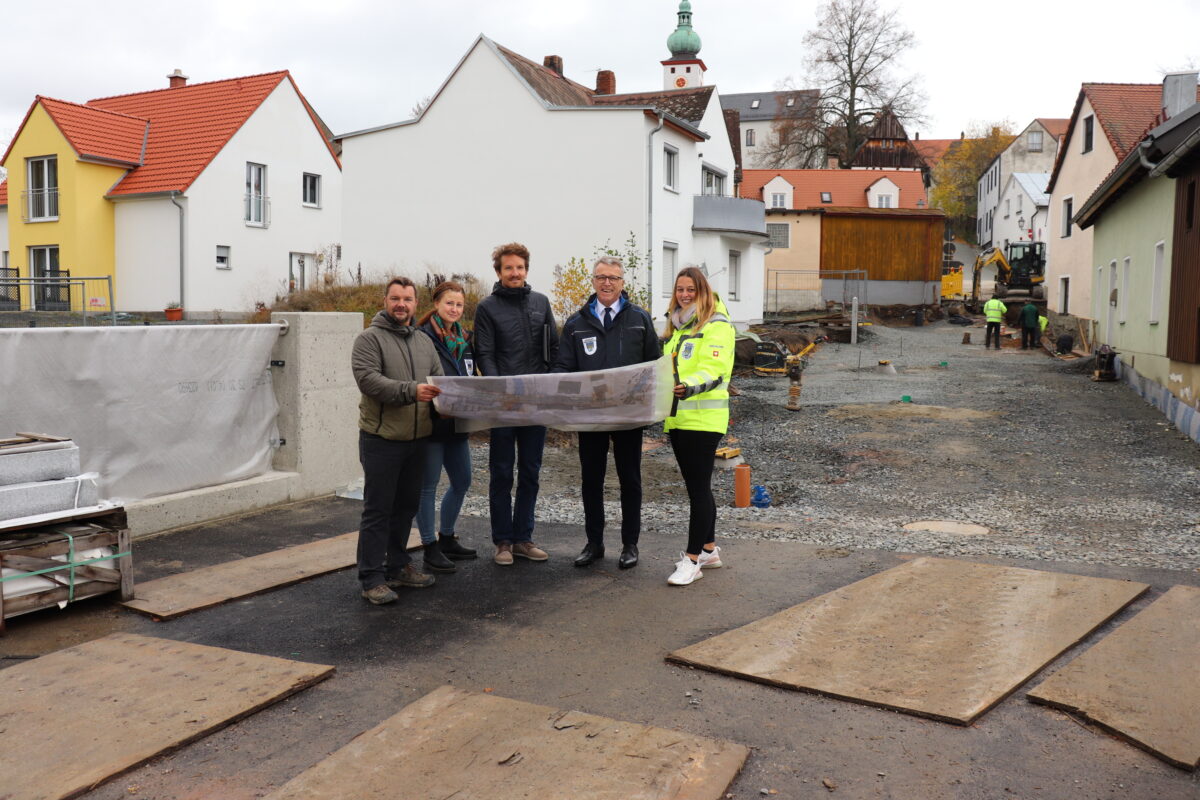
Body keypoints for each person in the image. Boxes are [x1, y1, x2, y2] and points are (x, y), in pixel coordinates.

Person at [553, 256, 661, 570]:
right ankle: (594, 543)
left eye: (613, 277)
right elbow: (564, 368)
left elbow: (654, 365)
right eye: (601, 277)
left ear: (622, 283)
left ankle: (630, 544)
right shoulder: (576, 323)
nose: (607, 283)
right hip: (590, 417)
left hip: (628, 416)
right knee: (591, 480)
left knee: (630, 479)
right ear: (593, 281)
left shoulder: (639, 319)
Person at [351, 277, 443, 605]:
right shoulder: (368, 339)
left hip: (418, 440)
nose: (401, 304)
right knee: (378, 509)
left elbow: (438, 381)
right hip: (382, 439)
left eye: (407, 299)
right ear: (385, 301)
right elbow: (369, 381)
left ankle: (398, 566)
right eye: (395, 299)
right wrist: (411, 391)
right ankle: (371, 577)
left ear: (416, 304)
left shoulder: (423, 342)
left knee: (405, 507)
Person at [474, 242, 558, 565]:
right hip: (504, 404)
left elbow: (552, 346)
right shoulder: (487, 308)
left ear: (526, 270)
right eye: (508, 268)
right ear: (498, 272)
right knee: (501, 472)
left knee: (531, 472)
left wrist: (549, 381)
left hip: (536, 403)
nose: (515, 273)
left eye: (520, 267)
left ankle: (524, 538)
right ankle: (503, 542)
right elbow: (485, 353)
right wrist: (502, 390)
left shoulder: (541, 302)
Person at [661, 266, 735, 586]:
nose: (685, 294)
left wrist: (689, 386)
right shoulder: (678, 328)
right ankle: (708, 549)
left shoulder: (716, 324)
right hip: (679, 419)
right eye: (680, 289)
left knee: (698, 491)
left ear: (702, 290)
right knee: (698, 487)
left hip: (704, 420)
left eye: (691, 289)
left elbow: (715, 369)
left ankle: (692, 560)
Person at [416, 280, 479, 573]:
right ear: (436, 305)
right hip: (431, 425)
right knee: (428, 487)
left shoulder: (465, 338)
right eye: (449, 303)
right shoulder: (422, 337)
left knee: (462, 480)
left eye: (459, 305)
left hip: (458, 424)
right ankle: (429, 546)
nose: (454, 309)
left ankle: (447, 537)